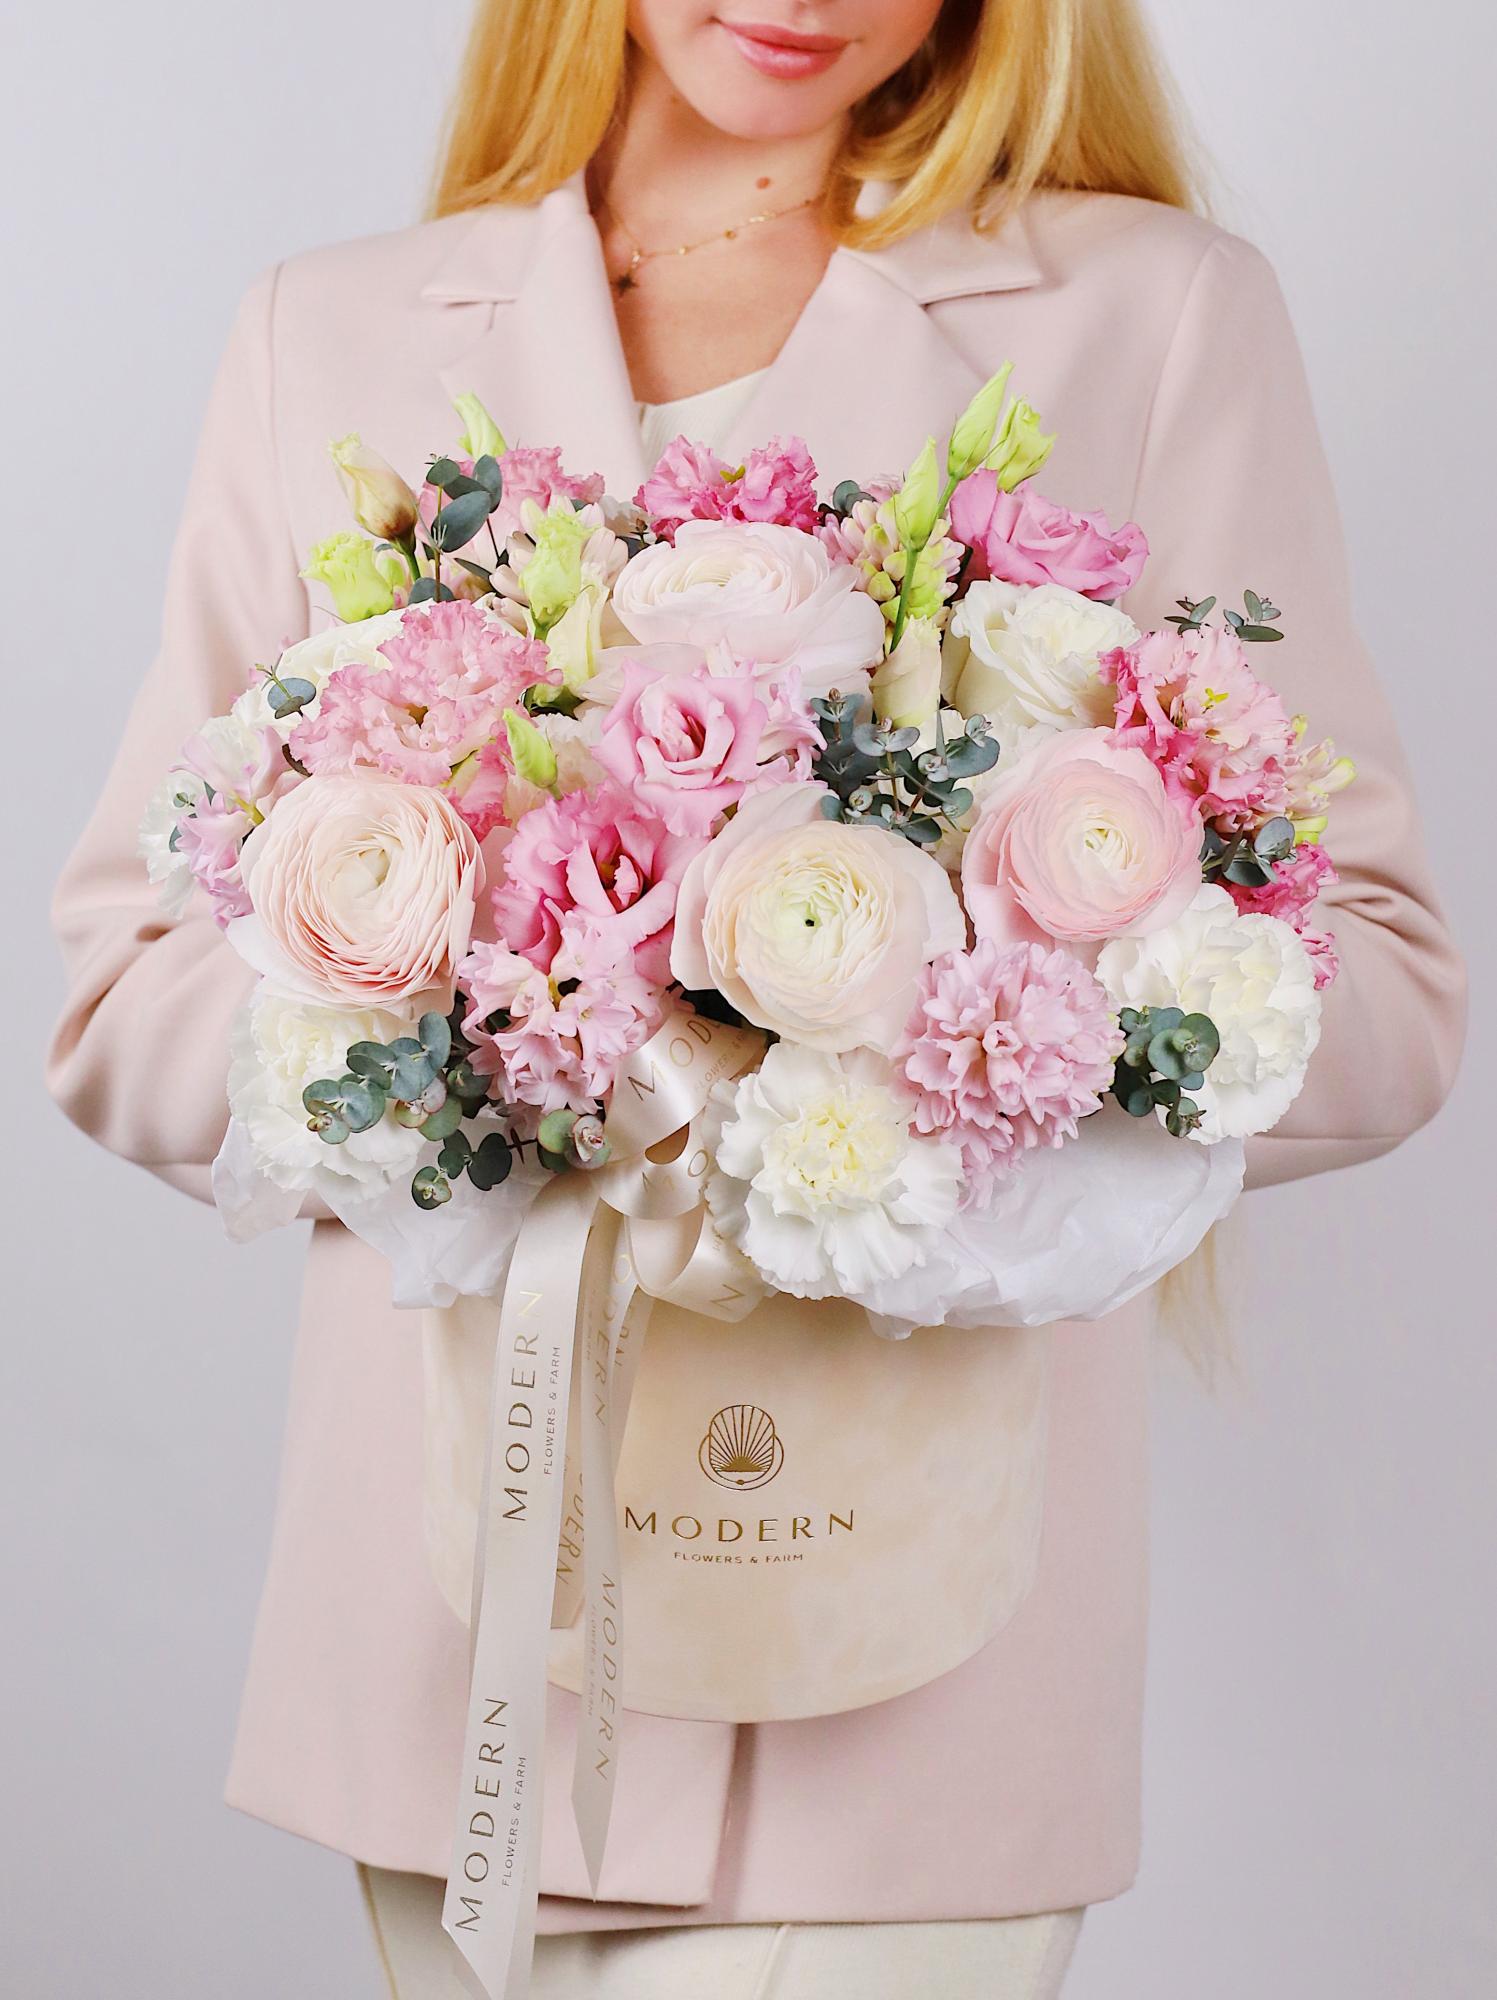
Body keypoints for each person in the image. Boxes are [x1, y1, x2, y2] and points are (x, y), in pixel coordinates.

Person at [47, 2, 1466, 1995]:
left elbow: (1379, 983)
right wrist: (512, 1016)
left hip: (903, 1676)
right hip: (457, 1660)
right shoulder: (335, 329)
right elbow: (126, 1000)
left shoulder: (1144, 314)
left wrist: (914, 1015)